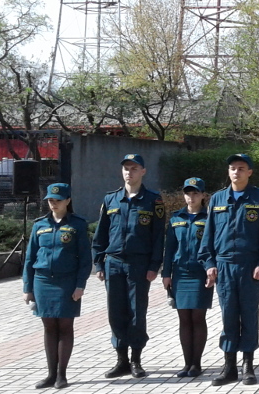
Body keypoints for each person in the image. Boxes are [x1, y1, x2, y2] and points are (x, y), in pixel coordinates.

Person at [199, 154, 259, 385]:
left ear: (249, 172)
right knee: (228, 316)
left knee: (248, 315)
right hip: (224, 266)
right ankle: (229, 366)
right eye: (233, 168)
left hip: (250, 266)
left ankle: (248, 366)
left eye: (241, 168)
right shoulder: (217, 198)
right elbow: (209, 234)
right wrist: (209, 263)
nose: (236, 172)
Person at [92, 153, 165, 379]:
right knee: (115, 313)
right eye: (126, 168)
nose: (129, 172)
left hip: (139, 265)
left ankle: (136, 360)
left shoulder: (153, 200)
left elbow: (158, 237)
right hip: (113, 263)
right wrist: (98, 263)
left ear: (143, 171)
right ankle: (121, 359)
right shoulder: (111, 199)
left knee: (136, 312)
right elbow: (101, 234)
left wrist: (154, 265)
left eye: (134, 168)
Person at [23, 183, 91, 389]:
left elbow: (85, 259)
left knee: (65, 327)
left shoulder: (78, 224)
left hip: (67, 282)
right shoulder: (39, 225)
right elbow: (30, 258)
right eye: (51, 200)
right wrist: (27, 287)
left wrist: (80, 285)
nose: (53, 204)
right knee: (49, 327)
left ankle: (62, 375)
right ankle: (50, 374)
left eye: (58, 200)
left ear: (68, 201)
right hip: (43, 281)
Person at [162, 177, 213, 378]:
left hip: (201, 273)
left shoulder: (209, 218)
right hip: (180, 274)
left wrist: (211, 269)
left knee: (198, 318)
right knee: (184, 319)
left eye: (195, 193)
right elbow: (169, 248)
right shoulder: (176, 218)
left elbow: (213, 246)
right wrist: (166, 274)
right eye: (188, 193)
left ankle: (196, 364)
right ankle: (186, 364)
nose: (191, 197)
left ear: (203, 195)